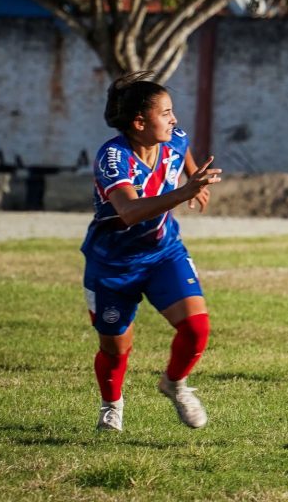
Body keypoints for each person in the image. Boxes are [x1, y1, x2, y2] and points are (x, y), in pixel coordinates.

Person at [81, 72, 223, 432]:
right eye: (166, 112)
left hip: (163, 253)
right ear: (139, 122)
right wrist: (186, 191)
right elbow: (129, 212)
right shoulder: (113, 157)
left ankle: (174, 384)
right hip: (112, 264)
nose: (174, 119)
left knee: (196, 328)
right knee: (115, 349)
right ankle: (111, 405)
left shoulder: (172, 138)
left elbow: (183, 146)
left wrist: (194, 176)